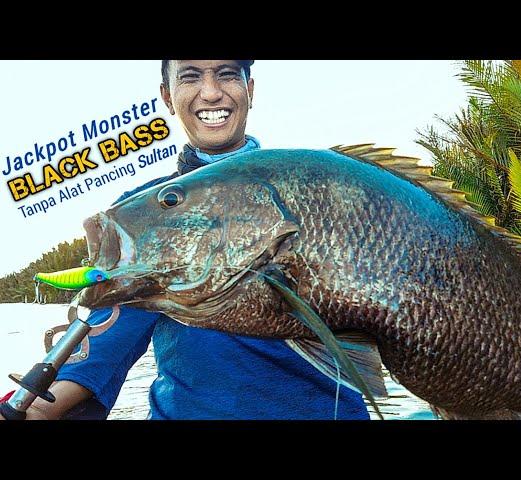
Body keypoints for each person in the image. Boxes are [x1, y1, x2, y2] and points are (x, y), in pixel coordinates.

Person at [1, 60, 370, 420]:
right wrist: (33, 408)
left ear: (250, 89)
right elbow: (107, 341)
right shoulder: (140, 214)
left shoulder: (320, 192)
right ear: (167, 96)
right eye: (190, 76)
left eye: (227, 74)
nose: (211, 92)